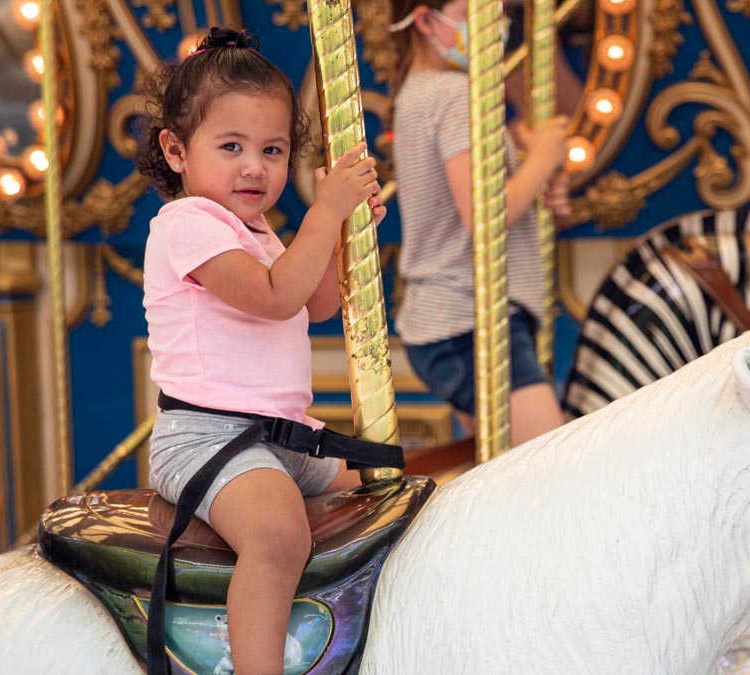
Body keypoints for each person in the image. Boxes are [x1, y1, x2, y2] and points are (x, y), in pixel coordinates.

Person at [136, 27, 386, 675]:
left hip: (282, 440)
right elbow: (276, 298)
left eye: (272, 150)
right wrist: (324, 214)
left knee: (389, 493)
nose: (255, 166)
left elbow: (319, 302)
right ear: (177, 149)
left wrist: (345, 231)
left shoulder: (257, 229)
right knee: (278, 535)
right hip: (204, 440)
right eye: (232, 146)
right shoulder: (187, 224)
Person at [386, 0, 574, 445]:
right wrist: (543, 158)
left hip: (447, 321)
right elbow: (484, 220)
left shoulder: (416, 93)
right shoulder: (455, 95)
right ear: (426, 21)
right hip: (469, 320)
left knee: (497, 471)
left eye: (502, 16)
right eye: (478, 16)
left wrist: (527, 163)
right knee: (554, 461)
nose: (499, 28)